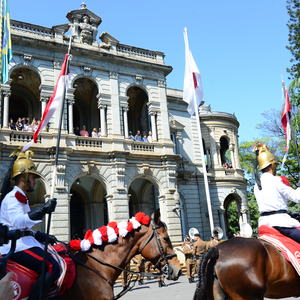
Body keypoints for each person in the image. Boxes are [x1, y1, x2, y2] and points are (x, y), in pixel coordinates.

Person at [0, 150, 59, 300]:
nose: (35, 181)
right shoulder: (14, 196)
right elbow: (18, 222)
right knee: (51, 266)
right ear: (25, 178)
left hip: (24, 242)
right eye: (33, 178)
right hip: (16, 245)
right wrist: (43, 210)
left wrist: (39, 235)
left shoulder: (21, 197)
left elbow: (23, 228)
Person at [254, 143, 300, 243]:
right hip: (281, 223)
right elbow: (297, 198)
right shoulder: (276, 180)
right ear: (272, 165)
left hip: (264, 225)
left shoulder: (256, 185)